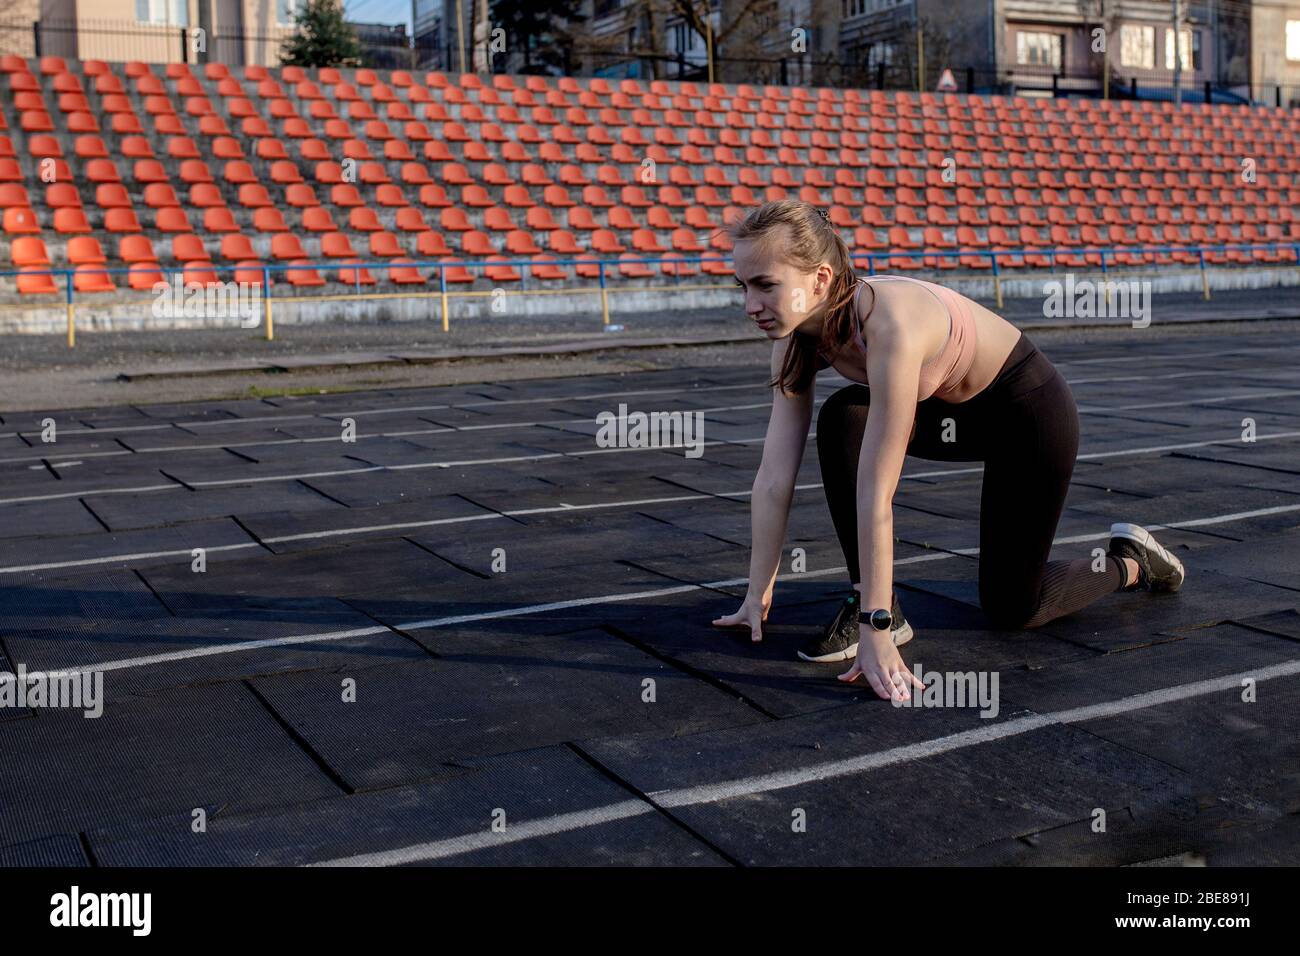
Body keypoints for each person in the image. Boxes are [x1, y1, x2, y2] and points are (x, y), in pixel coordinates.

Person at [711, 199, 1185, 703]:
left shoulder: (888, 323)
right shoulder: (791, 339)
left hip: (1027, 413)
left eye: (766, 285)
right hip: (951, 415)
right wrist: (757, 593)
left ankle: (1129, 560)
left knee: (1013, 608)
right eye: (744, 286)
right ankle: (874, 599)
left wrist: (877, 634)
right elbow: (773, 476)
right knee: (845, 417)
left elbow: (877, 493)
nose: (750, 306)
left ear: (821, 279)